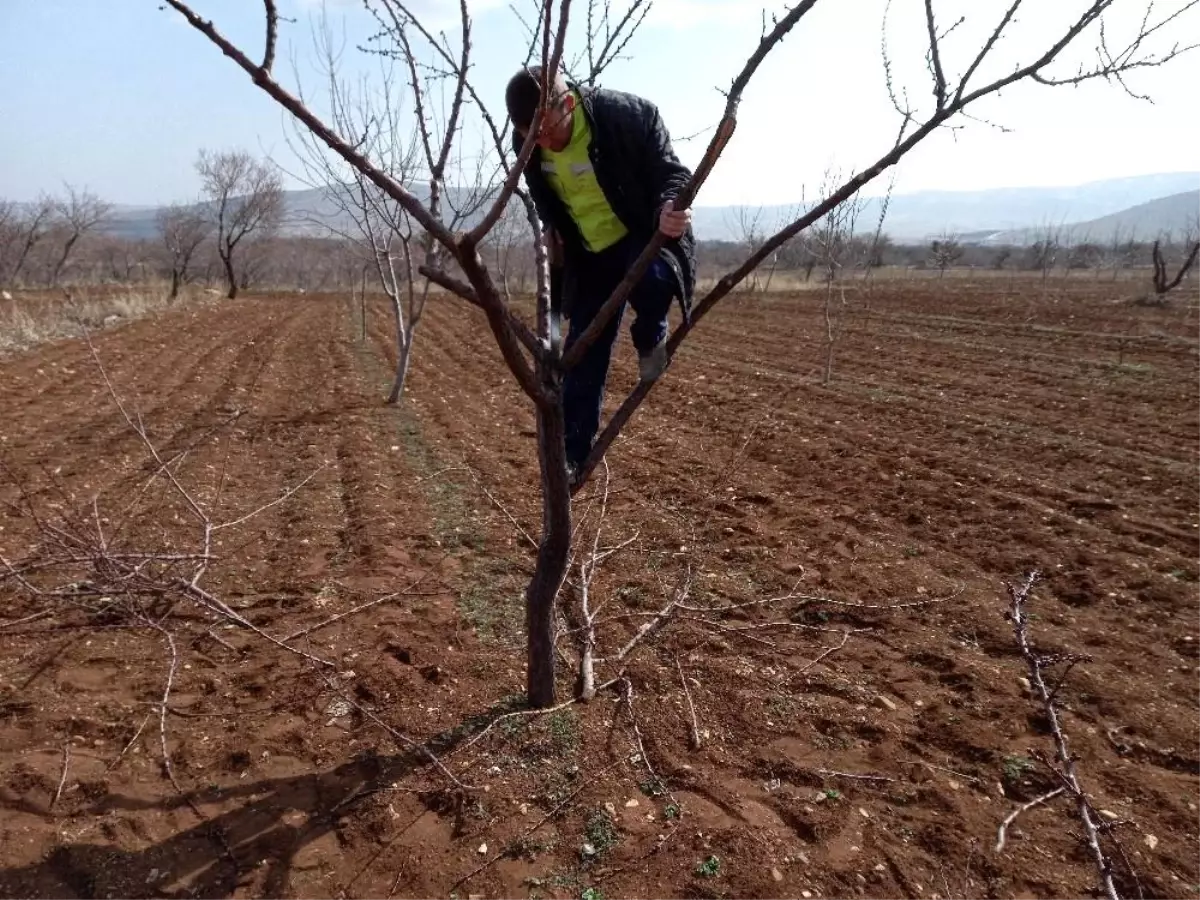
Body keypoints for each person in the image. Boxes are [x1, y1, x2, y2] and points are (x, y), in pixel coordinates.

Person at [505, 66, 696, 485]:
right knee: (583, 351)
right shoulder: (529, 143)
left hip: (640, 234)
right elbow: (540, 192)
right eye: (528, 136)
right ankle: (572, 457)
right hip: (588, 255)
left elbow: (671, 173)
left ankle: (651, 335)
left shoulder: (627, 117)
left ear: (567, 103)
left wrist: (669, 207)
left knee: (652, 280)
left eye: (545, 130)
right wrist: (551, 225)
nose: (539, 143)